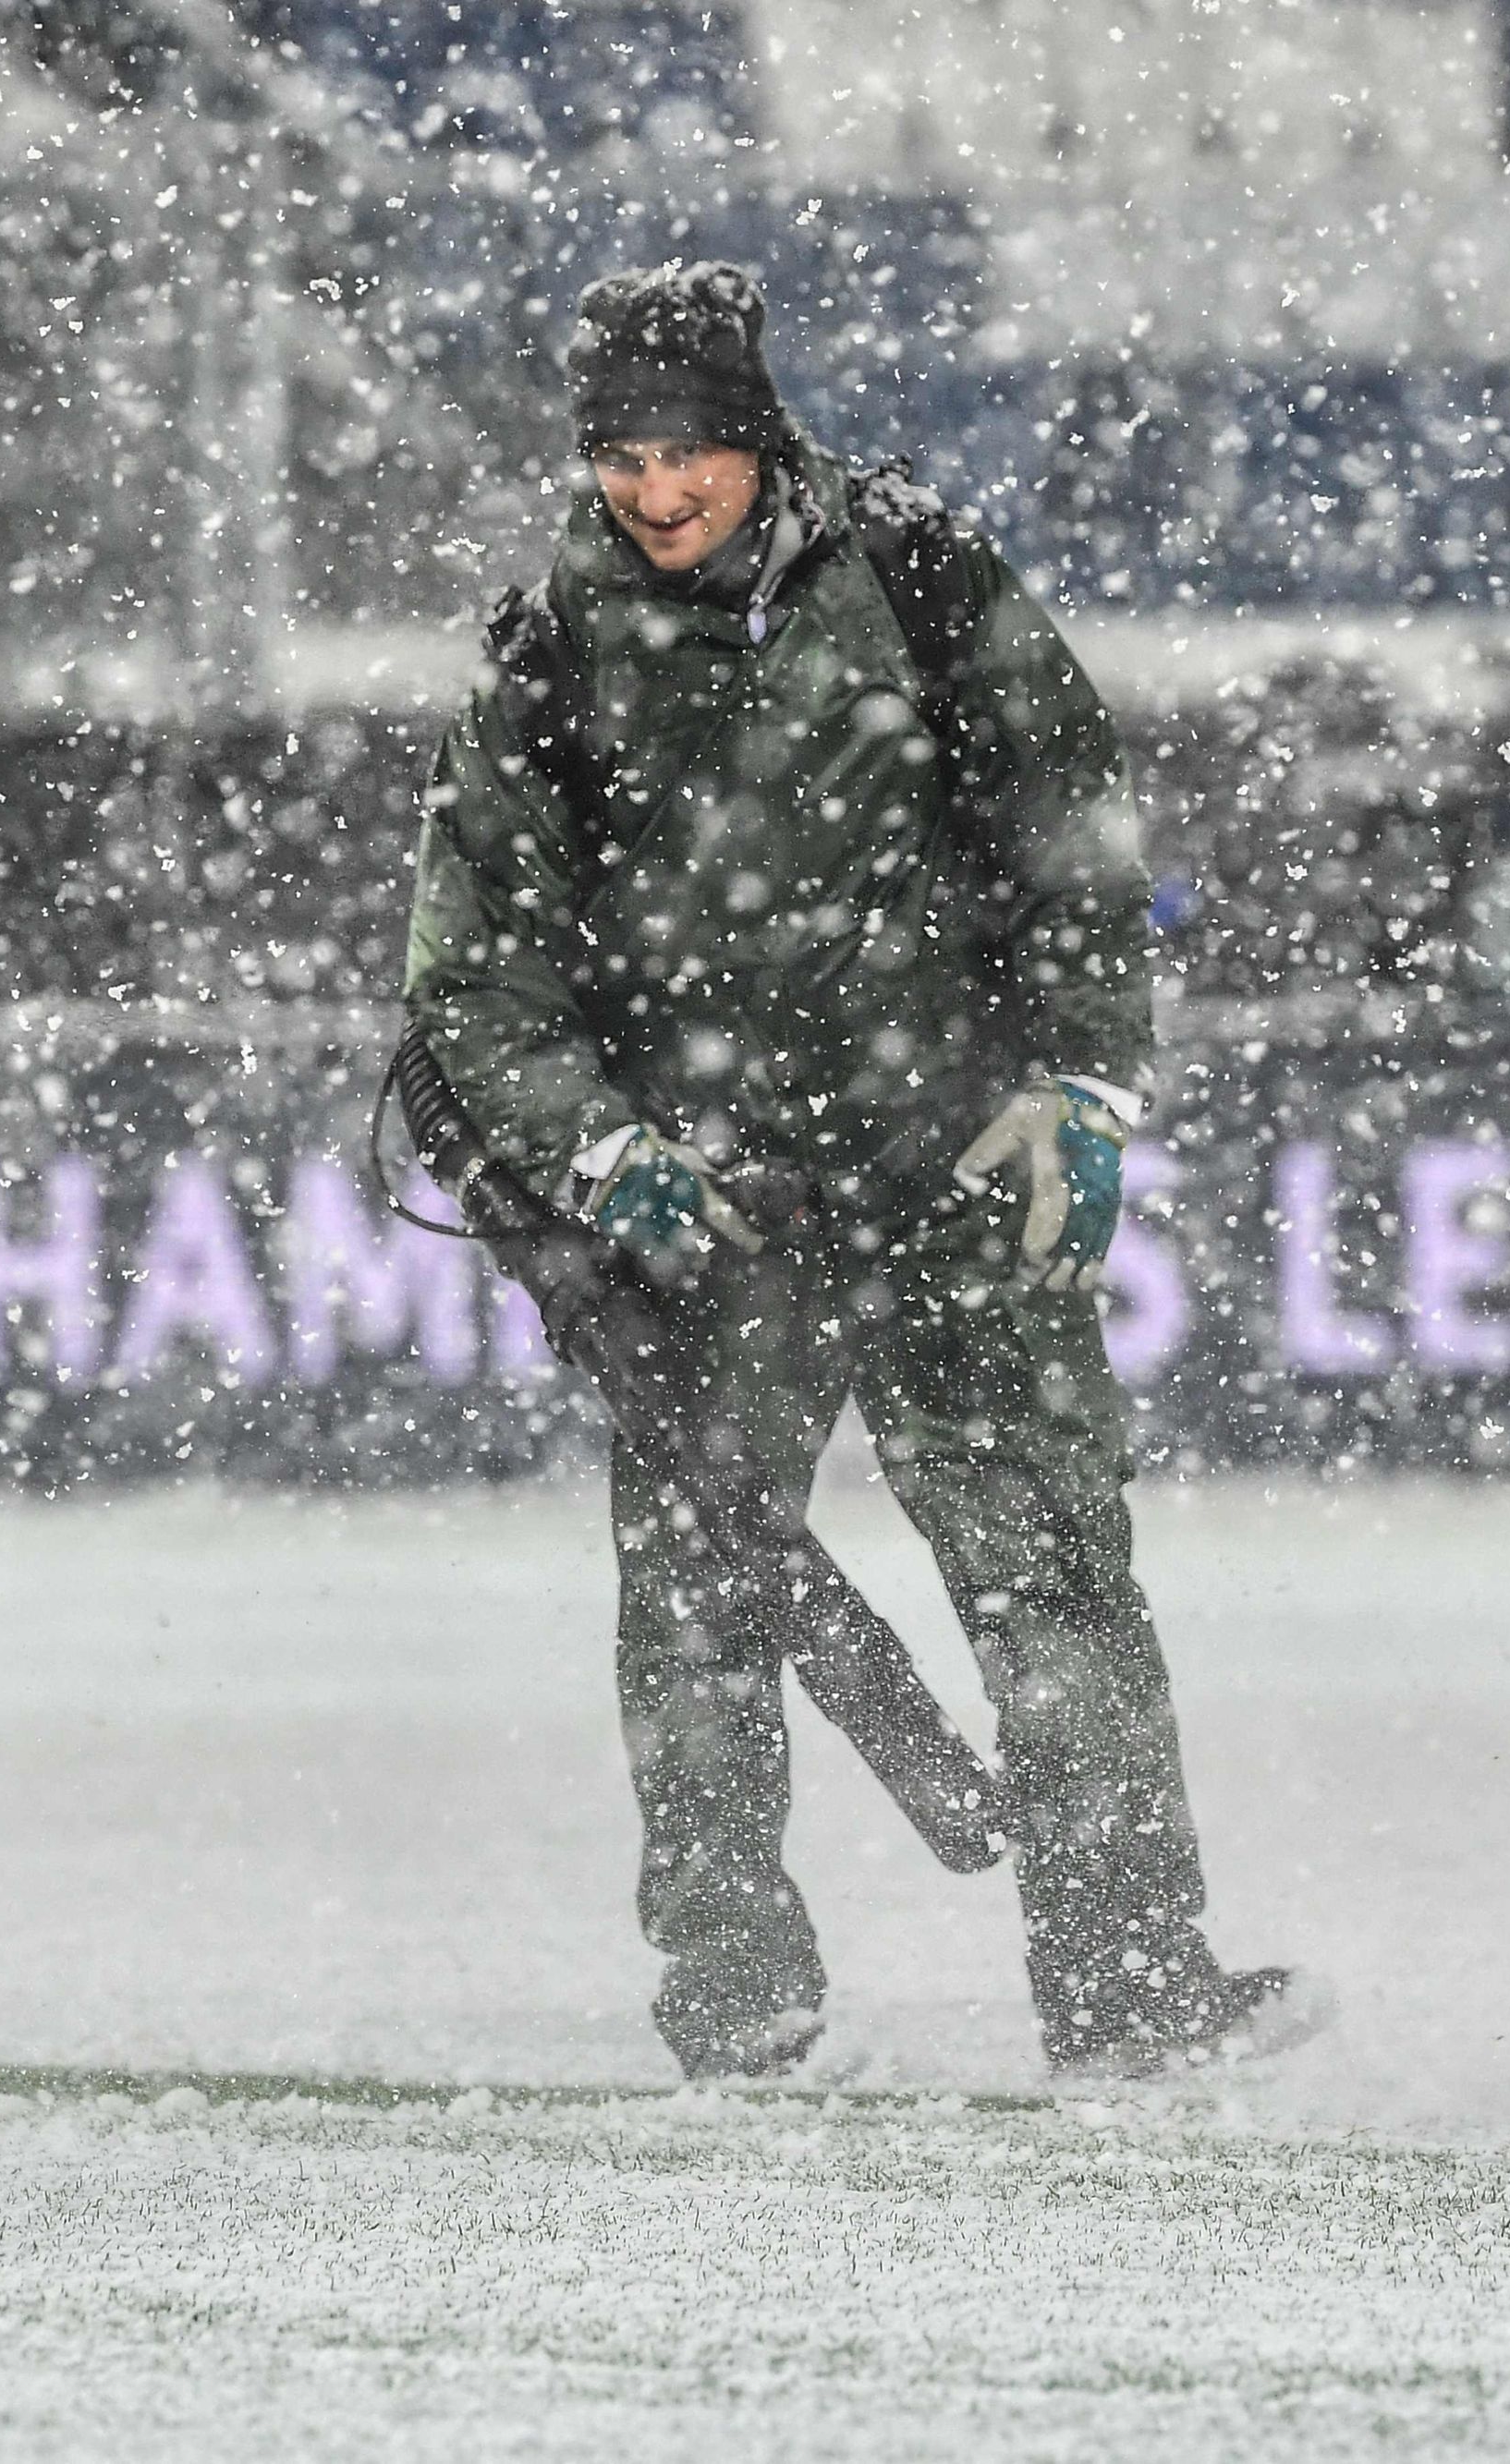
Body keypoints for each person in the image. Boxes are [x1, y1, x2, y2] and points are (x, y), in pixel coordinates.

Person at [399, 261, 1322, 2082]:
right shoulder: (544, 646)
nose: (653, 493)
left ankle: (1129, 1982)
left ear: (760, 438)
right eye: (616, 457)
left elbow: (1066, 826)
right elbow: (474, 969)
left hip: (950, 1162)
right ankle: (734, 1986)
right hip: (706, 1195)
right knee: (697, 1601)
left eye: (686, 454)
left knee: (1051, 1570)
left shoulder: (914, 568)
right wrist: (603, 1149)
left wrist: (1084, 1081)